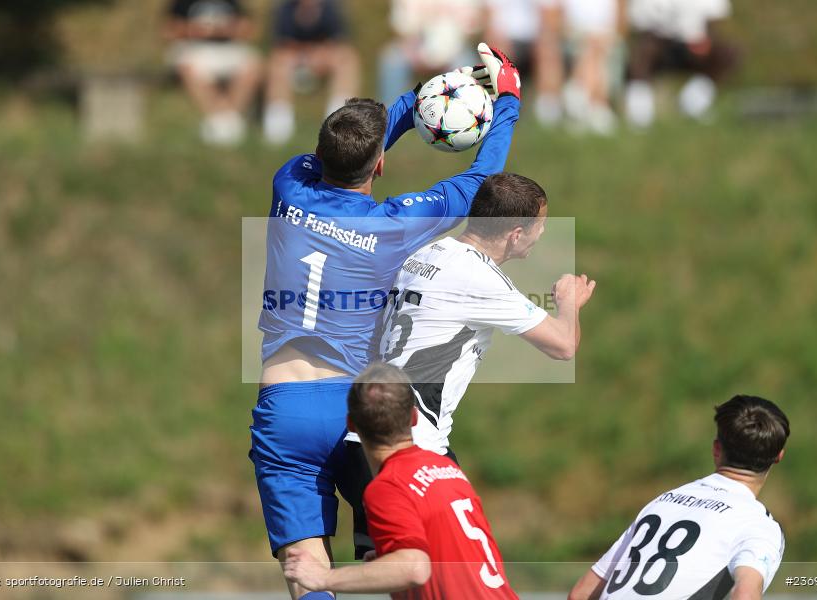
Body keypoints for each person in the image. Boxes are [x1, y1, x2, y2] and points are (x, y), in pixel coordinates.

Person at [249, 44, 523, 600]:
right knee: (399, 560)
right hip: (357, 416)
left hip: (283, 410)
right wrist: (507, 98)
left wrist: (419, 98)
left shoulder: (289, 184)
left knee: (307, 570)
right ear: (380, 165)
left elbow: (356, 141)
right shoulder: (389, 226)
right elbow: (482, 178)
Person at [337, 173, 596, 558]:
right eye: (540, 226)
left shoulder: (423, 254)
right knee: (463, 568)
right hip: (410, 449)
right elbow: (563, 347)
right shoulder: (481, 279)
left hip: (362, 442)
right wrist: (569, 303)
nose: (542, 235)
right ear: (516, 233)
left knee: (397, 572)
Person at [283, 362, 519, 599]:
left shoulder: (387, 487)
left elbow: (414, 567)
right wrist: (391, 563)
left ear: (351, 424)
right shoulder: (447, 468)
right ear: (414, 417)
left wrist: (323, 577)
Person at [568, 395, 789, 600]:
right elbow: (745, 594)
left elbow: (581, 593)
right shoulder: (758, 524)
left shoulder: (664, 502)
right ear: (779, 456)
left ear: (716, 449)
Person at [625, 0, 739, 127]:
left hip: (694, 45)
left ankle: (693, 103)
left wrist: (706, 40)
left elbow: (715, 20)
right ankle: (639, 115)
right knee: (643, 52)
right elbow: (638, 24)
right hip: (660, 44)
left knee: (727, 53)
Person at [165, 0, 262, 145]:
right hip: (193, 48)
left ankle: (226, 121)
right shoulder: (182, 3)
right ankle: (223, 122)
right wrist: (194, 30)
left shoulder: (232, 3)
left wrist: (226, 29)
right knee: (189, 66)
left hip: (228, 48)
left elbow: (248, 29)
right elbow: (168, 30)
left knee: (253, 64)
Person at [263, 0, 361, 144]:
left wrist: (320, 54)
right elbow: (280, 44)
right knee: (278, 62)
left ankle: (340, 122)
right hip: (292, 60)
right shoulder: (284, 8)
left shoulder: (332, 8)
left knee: (347, 59)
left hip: (324, 58)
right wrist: (304, 55)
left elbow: (339, 40)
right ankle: (278, 129)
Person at [377, 0, 481, 106]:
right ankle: (391, 116)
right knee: (392, 60)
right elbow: (401, 27)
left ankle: (466, 113)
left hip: (456, 50)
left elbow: (472, 26)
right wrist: (414, 51)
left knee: (467, 64)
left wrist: (446, 51)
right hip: (413, 47)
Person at [481, 0, 564, 125]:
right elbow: (491, 20)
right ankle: (497, 105)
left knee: (548, 47)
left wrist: (543, 39)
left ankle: (548, 106)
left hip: (535, 38)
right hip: (507, 38)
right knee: (496, 48)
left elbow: (550, 17)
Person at [561, 0, 624, 134]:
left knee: (594, 51)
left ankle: (580, 96)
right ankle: (598, 105)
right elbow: (561, 22)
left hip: (606, 40)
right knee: (592, 51)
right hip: (578, 38)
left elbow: (621, 24)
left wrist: (605, 38)